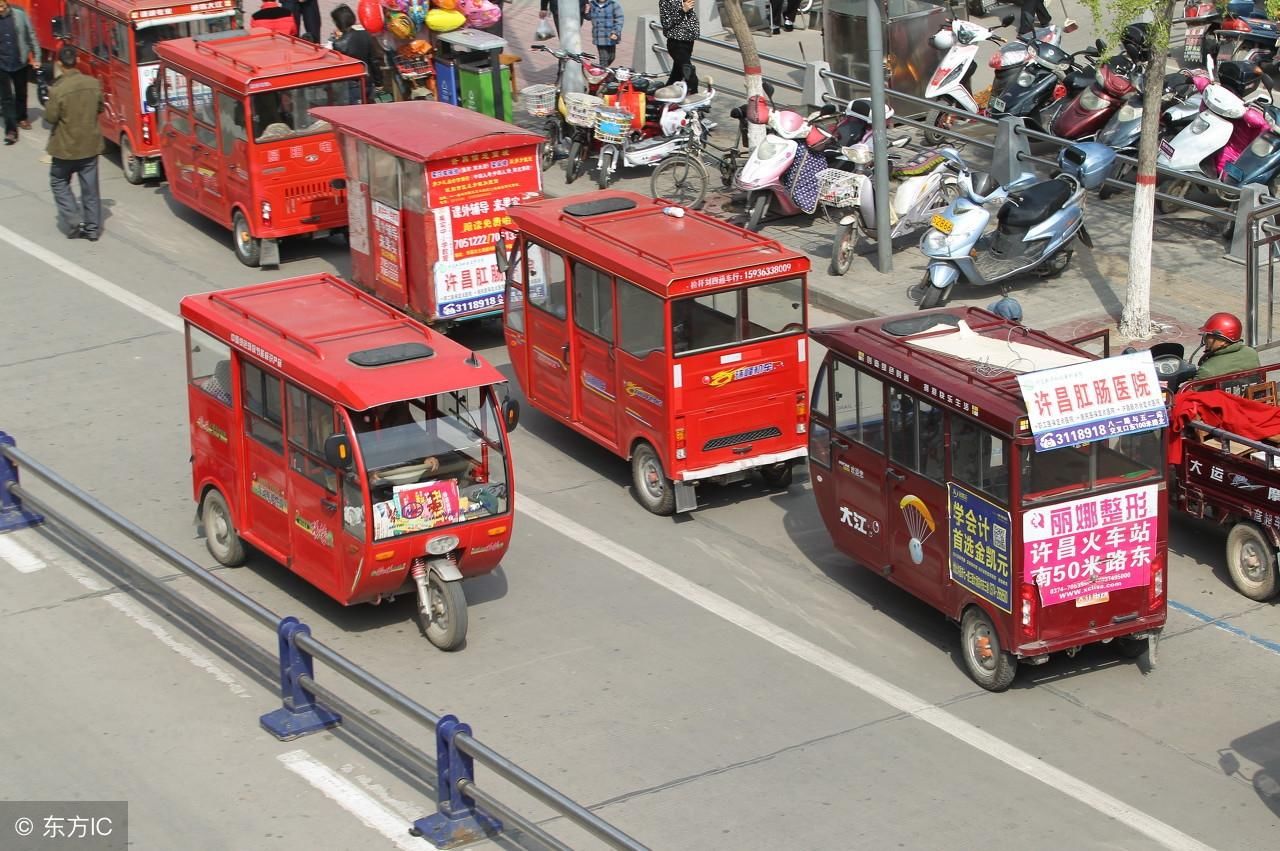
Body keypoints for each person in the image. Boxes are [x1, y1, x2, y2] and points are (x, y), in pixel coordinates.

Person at [45, 45, 103, 241]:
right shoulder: (93, 84)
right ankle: (93, 229)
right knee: (90, 189)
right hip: (90, 145)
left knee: (59, 181)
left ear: (60, 64)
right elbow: (100, 108)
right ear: (77, 61)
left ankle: (73, 221)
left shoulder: (57, 90)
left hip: (65, 148)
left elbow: (51, 117)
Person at [0, 0, 40, 142]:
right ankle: (11, 130)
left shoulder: (20, 15)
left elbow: (31, 35)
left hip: (19, 61)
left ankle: (22, 117)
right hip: (2, 64)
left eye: (2, 6)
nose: (0, 9)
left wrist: (37, 57)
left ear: (7, 5)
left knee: (21, 92)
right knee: (6, 98)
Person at [330, 4, 381, 101]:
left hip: (353, 85)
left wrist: (335, 40)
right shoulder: (366, 34)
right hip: (368, 81)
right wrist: (379, 82)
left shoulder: (338, 44)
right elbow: (374, 61)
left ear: (338, 23)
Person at [1195, 312, 1261, 380]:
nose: (1205, 338)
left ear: (1223, 341)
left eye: (1209, 335)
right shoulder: (1251, 353)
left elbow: (1190, 390)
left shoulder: (1207, 370)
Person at [659, 0, 699, 94]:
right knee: (690, 74)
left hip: (688, 41)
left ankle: (663, 99)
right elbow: (666, 23)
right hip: (676, 43)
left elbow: (688, 18)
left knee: (676, 75)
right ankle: (695, 100)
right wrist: (683, 10)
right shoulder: (665, 1)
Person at [584, 0, 623, 67]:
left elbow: (619, 19)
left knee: (611, 57)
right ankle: (602, 72)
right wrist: (585, 12)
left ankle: (601, 70)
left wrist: (616, 32)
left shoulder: (614, 4)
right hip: (599, 37)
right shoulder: (593, 4)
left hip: (611, 36)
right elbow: (589, 17)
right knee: (604, 59)